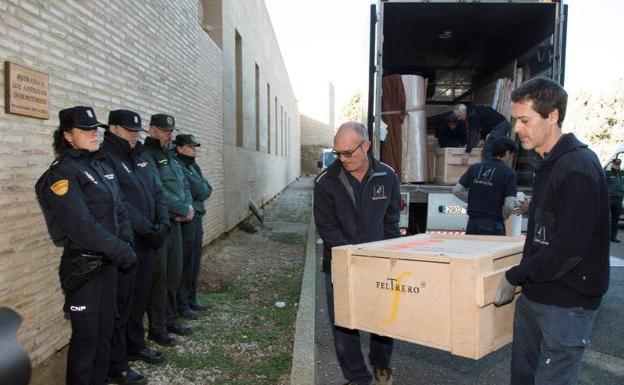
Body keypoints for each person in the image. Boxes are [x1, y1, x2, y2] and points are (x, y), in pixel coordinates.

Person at [494, 78, 610, 385]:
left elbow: (568, 249)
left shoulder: (578, 166)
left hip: (567, 303)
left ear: (553, 116)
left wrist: (514, 275)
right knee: (523, 377)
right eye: (515, 120)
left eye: (525, 120)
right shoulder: (548, 164)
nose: (517, 129)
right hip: (537, 294)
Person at [35, 106, 136, 385]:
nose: (94, 134)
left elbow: (120, 210)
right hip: (85, 267)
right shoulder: (62, 175)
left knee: (105, 334)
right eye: (86, 130)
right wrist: (121, 250)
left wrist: (126, 242)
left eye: (96, 129)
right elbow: (81, 225)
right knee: (87, 339)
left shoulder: (99, 165)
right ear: (68, 136)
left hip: (109, 264)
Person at [314, 122, 400, 385]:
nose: (342, 159)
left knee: (383, 320)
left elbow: (391, 219)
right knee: (344, 325)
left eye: (348, 153)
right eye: (338, 153)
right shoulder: (326, 181)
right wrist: (349, 258)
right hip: (341, 265)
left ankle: (381, 363)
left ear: (366, 146)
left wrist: (391, 257)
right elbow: (327, 226)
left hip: (379, 264)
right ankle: (357, 376)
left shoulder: (387, 176)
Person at [101, 110, 171, 383]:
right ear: (113, 128)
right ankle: (117, 361)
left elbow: (156, 191)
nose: (134, 134)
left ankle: (136, 343)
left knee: (141, 296)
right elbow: (118, 201)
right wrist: (148, 228)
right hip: (128, 241)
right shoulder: (107, 156)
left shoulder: (139, 154)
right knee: (122, 303)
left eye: (136, 130)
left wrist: (162, 223)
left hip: (150, 239)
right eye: (129, 130)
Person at [142, 114, 194, 346]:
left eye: (171, 132)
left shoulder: (170, 156)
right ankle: (158, 327)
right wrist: (182, 207)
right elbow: (157, 189)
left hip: (177, 222)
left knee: (174, 274)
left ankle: (171, 319)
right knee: (160, 279)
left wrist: (187, 207)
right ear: (152, 130)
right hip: (162, 223)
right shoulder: (147, 155)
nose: (169, 135)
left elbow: (182, 184)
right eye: (164, 131)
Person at [174, 134, 212, 318]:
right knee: (186, 262)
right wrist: (201, 187)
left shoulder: (192, 165)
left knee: (195, 261)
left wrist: (202, 187)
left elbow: (206, 189)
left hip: (197, 216)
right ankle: (181, 303)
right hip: (187, 219)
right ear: (179, 148)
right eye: (189, 147)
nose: (193, 150)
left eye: (194, 147)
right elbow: (199, 189)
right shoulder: (178, 166)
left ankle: (191, 298)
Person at [453, 136, 518, 235]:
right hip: (494, 224)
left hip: (472, 224)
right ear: (507, 153)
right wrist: (501, 217)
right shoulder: (509, 173)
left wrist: (474, 198)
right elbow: (509, 204)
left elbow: (457, 190)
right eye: (512, 155)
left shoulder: (475, 167)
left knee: (472, 250)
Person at [605, 158, 624, 242]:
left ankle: (613, 237)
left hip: (619, 199)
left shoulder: (622, 173)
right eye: (616, 164)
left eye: (618, 164)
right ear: (612, 164)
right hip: (609, 199)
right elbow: (603, 185)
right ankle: (604, 237)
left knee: (615, 219)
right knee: (606, 218)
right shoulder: (607, 173)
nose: (617, 166)